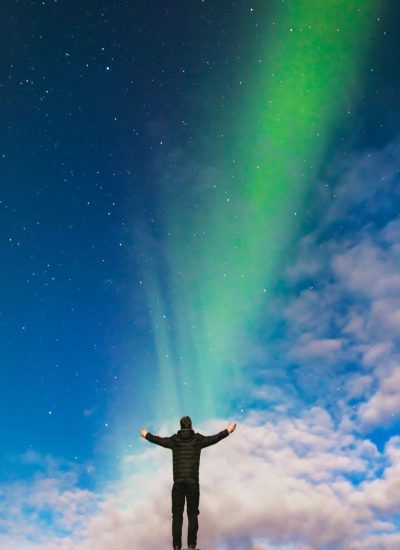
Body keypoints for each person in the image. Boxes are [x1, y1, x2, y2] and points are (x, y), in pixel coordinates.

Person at [139, 416, 237, 550]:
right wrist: (228, 431)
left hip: (178, 482)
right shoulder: (198, 439)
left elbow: (160, 440)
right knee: (192, 514)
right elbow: (214, 438)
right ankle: (191, 545)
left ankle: (177, 546)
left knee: (177, 515)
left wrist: (146, 435)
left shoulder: (174, 440)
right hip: (193, 482)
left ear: (180, 426)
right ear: (191, 425)